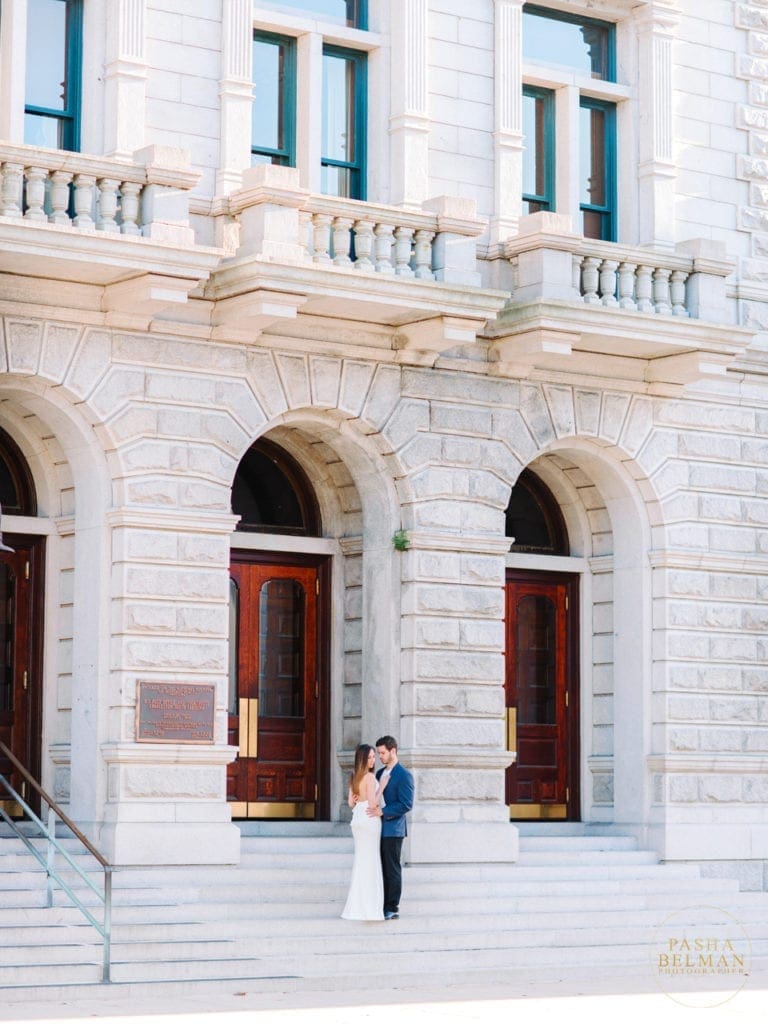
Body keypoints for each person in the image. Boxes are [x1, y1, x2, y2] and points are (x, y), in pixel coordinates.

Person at [370, 735, 414, 920]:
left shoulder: (404, 775)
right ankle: (380, 904)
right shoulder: (380, 774)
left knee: (392, 868)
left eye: (382, 753)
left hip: (393, 829)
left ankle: (392, 907)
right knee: (380, 867)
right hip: (377, 829)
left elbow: (406, 804)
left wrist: (384, 812)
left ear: (393, 751)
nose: (380, 756)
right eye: (378, 753)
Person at [340, 743, 386, 921]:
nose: (373, 760)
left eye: (374, 757)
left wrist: (361, 799)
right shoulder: (368, 777)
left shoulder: (354, 777)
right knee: (371, 860)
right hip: (369, 819)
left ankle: (357, 906)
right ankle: (369, 907)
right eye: (369, 757)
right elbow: (374, 804)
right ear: (362, 759)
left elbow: (351, 803)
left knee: (361, 860)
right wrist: (381, 787)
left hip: (358, 818)